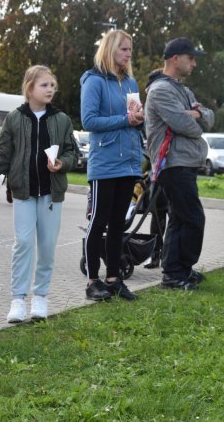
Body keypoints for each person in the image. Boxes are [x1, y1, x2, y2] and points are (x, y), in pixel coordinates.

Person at [0, 65, 77, 323]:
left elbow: (72, 153)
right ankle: (18, 300)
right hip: (23, 192)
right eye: (44, 85)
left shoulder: (62, 119)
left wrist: (62, 163)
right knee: (23, 244)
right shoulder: (14, 118)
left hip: (51, 194)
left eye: (52, 85)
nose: (50, 89)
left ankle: (40, 296)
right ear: (30, 88)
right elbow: (3, 155)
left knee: (47, 247)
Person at [144, 37, 215, 290]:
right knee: (193, 218)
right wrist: (194, 117)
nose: (194, 63)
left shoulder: (182, 90)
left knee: (178, 219)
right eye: (191, 58)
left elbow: (209, 116)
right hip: (171, 163)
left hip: (183, 162)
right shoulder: (161, 90)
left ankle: (176, 271)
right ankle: (176, 272)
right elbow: (188, 126)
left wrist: (196, 113)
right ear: (176, 58)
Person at [80, 30, 144, 302]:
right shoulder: (94, 81)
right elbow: (89, 121)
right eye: (124, 50)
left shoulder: (129, 82)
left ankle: (114, 279)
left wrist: (139, 119)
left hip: (129, 162)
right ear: (110, 50)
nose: (129, 54)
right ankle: (93, 281)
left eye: (130, 50)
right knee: (99, 221)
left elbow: (134, 116)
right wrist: (124, 120)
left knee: (119, 223)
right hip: (105, 162)